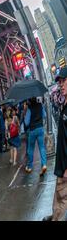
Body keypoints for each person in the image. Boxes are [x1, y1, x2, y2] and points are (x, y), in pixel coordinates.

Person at [44, 68, 67, 221]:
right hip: (62, 167)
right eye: (59, 81)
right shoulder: (65, 106)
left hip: (66, 170)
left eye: (64, 80)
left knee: (62, 203)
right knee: (59, 201)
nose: (61, 84)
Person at [24, 97, 47, 175]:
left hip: (33, 130)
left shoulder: (29, 109)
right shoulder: (40, 105)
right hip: (40, 128)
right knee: (42, 147)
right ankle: (44, 165)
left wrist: (25, 114)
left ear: (29, 101)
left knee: (31, 149)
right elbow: (44, 115)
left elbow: (26, 123)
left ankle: (29, 167)